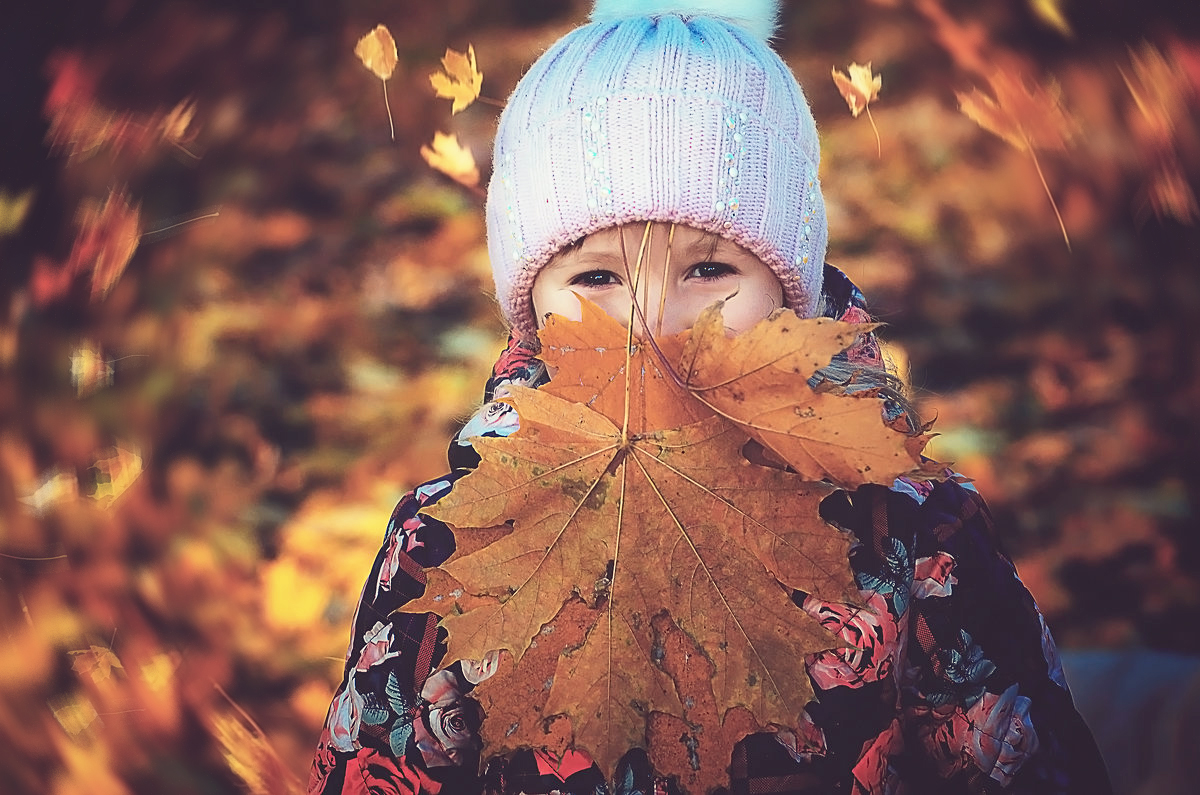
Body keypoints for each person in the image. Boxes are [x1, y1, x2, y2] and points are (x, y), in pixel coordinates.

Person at [307, 1, 1113, 792]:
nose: (652, 323)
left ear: (788, 295)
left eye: (708, 269)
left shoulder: (908, 529)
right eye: (595, 278)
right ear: (532, 310)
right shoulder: (450, 538)